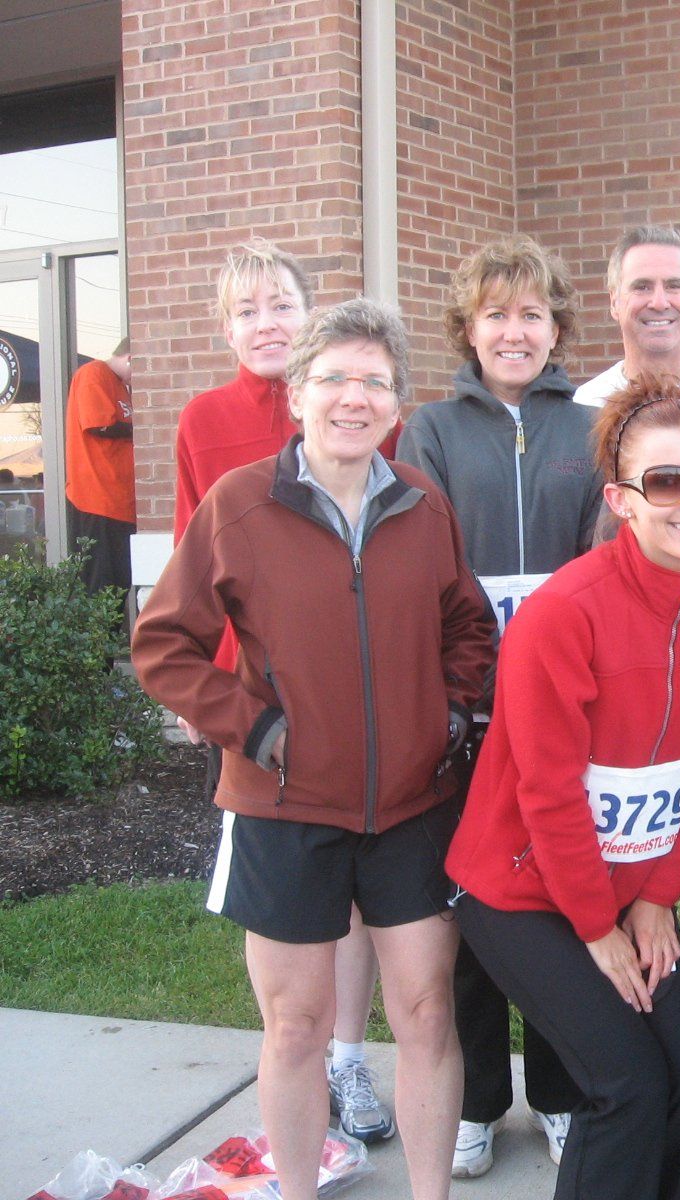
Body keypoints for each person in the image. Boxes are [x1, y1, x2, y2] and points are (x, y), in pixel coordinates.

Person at [133, 298, 497, 1200]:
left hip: (414, 807)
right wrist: (256, 728)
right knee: (296, 1026)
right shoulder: (240, 504)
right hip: (283, 809)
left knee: (424, 1012)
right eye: (334, 376)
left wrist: (448, 715)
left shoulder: (422, 504)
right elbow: (164, 645)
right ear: (298, 392)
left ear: (395, 404)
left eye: (375, 381)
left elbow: (470, 628)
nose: (354, 397)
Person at [447, 373, 680, 1200]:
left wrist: (655, 899)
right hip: (522, 891)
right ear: (621, 500)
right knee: (625, 1085)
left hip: (625, 883)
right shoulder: (563, 613)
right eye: (666, 482)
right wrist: (596, 924)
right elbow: (547, 792)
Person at [173, 239, 402, 1142]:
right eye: (245, 311)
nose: (264, 324)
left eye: (279, 305)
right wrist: (217, 701)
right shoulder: (203, 421)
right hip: (259, 705)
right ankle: (300, 1048)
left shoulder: (349, 401)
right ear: (225, 327)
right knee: (290, 888)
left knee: (360, 884)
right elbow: (203, 569)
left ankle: (348, 1056)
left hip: (360, 692)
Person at [397, 235, 602, 1178]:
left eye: (531, 314)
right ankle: (480, 1098)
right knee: (476, 901)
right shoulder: (432, 430)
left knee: (562, 894)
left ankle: (559, 1091)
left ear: (557, 327)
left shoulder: (589, 427)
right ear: (468, 331)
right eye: (495, 315)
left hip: (570, 705)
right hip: (474, 706)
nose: (514, 332)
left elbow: (607, 557)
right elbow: (425, 572)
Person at [574, 225, 680, 406]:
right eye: (642, 287)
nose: (659, 303)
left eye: (673, 286)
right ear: (614, 302)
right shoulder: (588, 404)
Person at [64, 337, 135, 601]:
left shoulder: (119, 385)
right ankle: (96, 643)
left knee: (119, 586)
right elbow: (99, 425)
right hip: (96, 499)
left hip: (120, 502)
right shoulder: (93, 373)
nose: (133, 381)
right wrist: (145, 428)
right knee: (99, 589)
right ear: (130, 358)